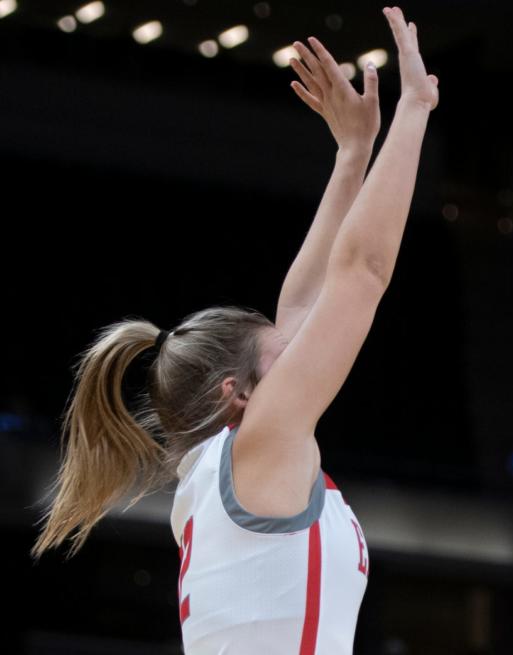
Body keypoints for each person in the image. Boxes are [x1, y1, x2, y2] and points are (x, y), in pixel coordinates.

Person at [32, 7, 439, 654]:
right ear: (237, 393)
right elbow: (359, 272)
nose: (303, 348)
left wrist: (352, 153)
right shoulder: (253, 454)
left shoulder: (231, 466)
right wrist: (414, 109)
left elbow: (306, 304)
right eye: (283, 354)